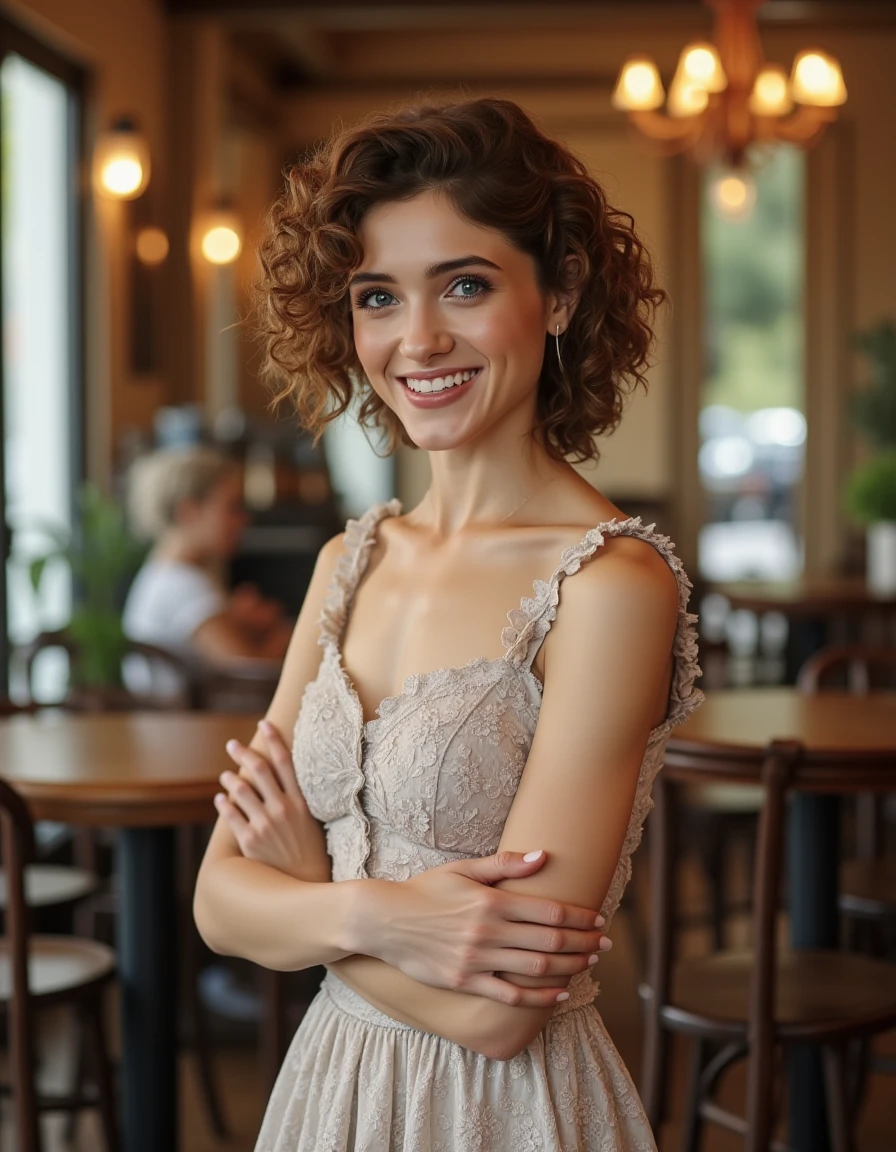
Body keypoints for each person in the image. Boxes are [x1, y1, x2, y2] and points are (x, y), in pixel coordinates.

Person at [194, 96, 703, 1150]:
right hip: (326, 1091)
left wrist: (304, 900)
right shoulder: (349, 561)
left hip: (501, 1111)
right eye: (377, 297)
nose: (416, 339)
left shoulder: (609, 586)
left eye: (463, 285)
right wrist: (378, 913)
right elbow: (216, 902)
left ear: (558, 294)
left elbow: (498, 1012)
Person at [123, 445, 292, 696]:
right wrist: (293, 633)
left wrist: (236, 620)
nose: (244, 520)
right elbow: (251, 675)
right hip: (181, 730)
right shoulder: (184, 584)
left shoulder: (161, 572)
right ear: (189, 511)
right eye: (232, 507)